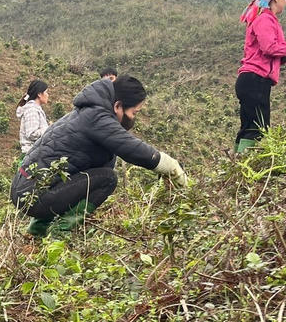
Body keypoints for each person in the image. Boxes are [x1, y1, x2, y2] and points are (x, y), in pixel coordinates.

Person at [10, 75, 189, 237]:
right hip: (32, 196)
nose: (133, 118)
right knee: (108, 178)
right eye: (133, 113)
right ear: (117, 106)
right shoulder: (97, 118)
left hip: (26, 191)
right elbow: (132, 149)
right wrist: (171, 166)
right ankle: (60, 230)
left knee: (102, 165)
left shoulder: (88, 112)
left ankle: (37, 230)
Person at [234, 0, 286, 153]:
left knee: (249, 126)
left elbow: (266, 55)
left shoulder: (265, 19)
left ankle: (237, 162)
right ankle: (245, 163)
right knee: (258, 128)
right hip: (255, 80)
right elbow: (269, 47)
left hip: (252, 81)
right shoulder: (265, 19)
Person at [17, 79, 50, 154]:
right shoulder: (32, 110)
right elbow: (31, 134)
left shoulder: (35, 109)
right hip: (32, 153)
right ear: (39, 94)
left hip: (35, 152)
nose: (48, 95)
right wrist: (48, 130)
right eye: (46, 92)